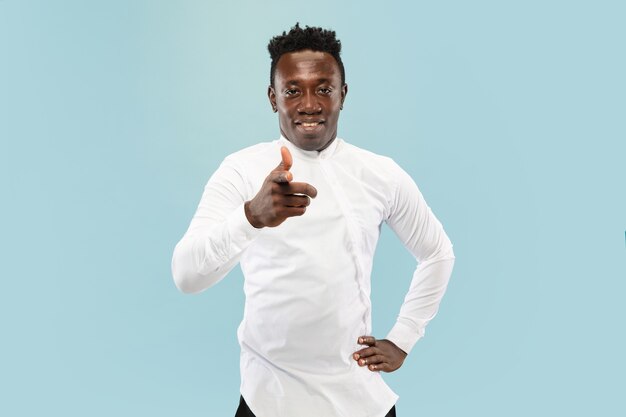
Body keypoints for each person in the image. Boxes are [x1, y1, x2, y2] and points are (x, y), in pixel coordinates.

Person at [172, 23, 455, 417]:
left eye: (324, 88)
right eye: (292, 91)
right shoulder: (240, 170)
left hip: (360, 401)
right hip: (268, 400)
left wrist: (404, 336)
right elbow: (186, 276)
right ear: (274, 98)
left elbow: (438, 252)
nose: (309, 104)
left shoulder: (380, 173)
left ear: (343, 94)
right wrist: (251, 217)